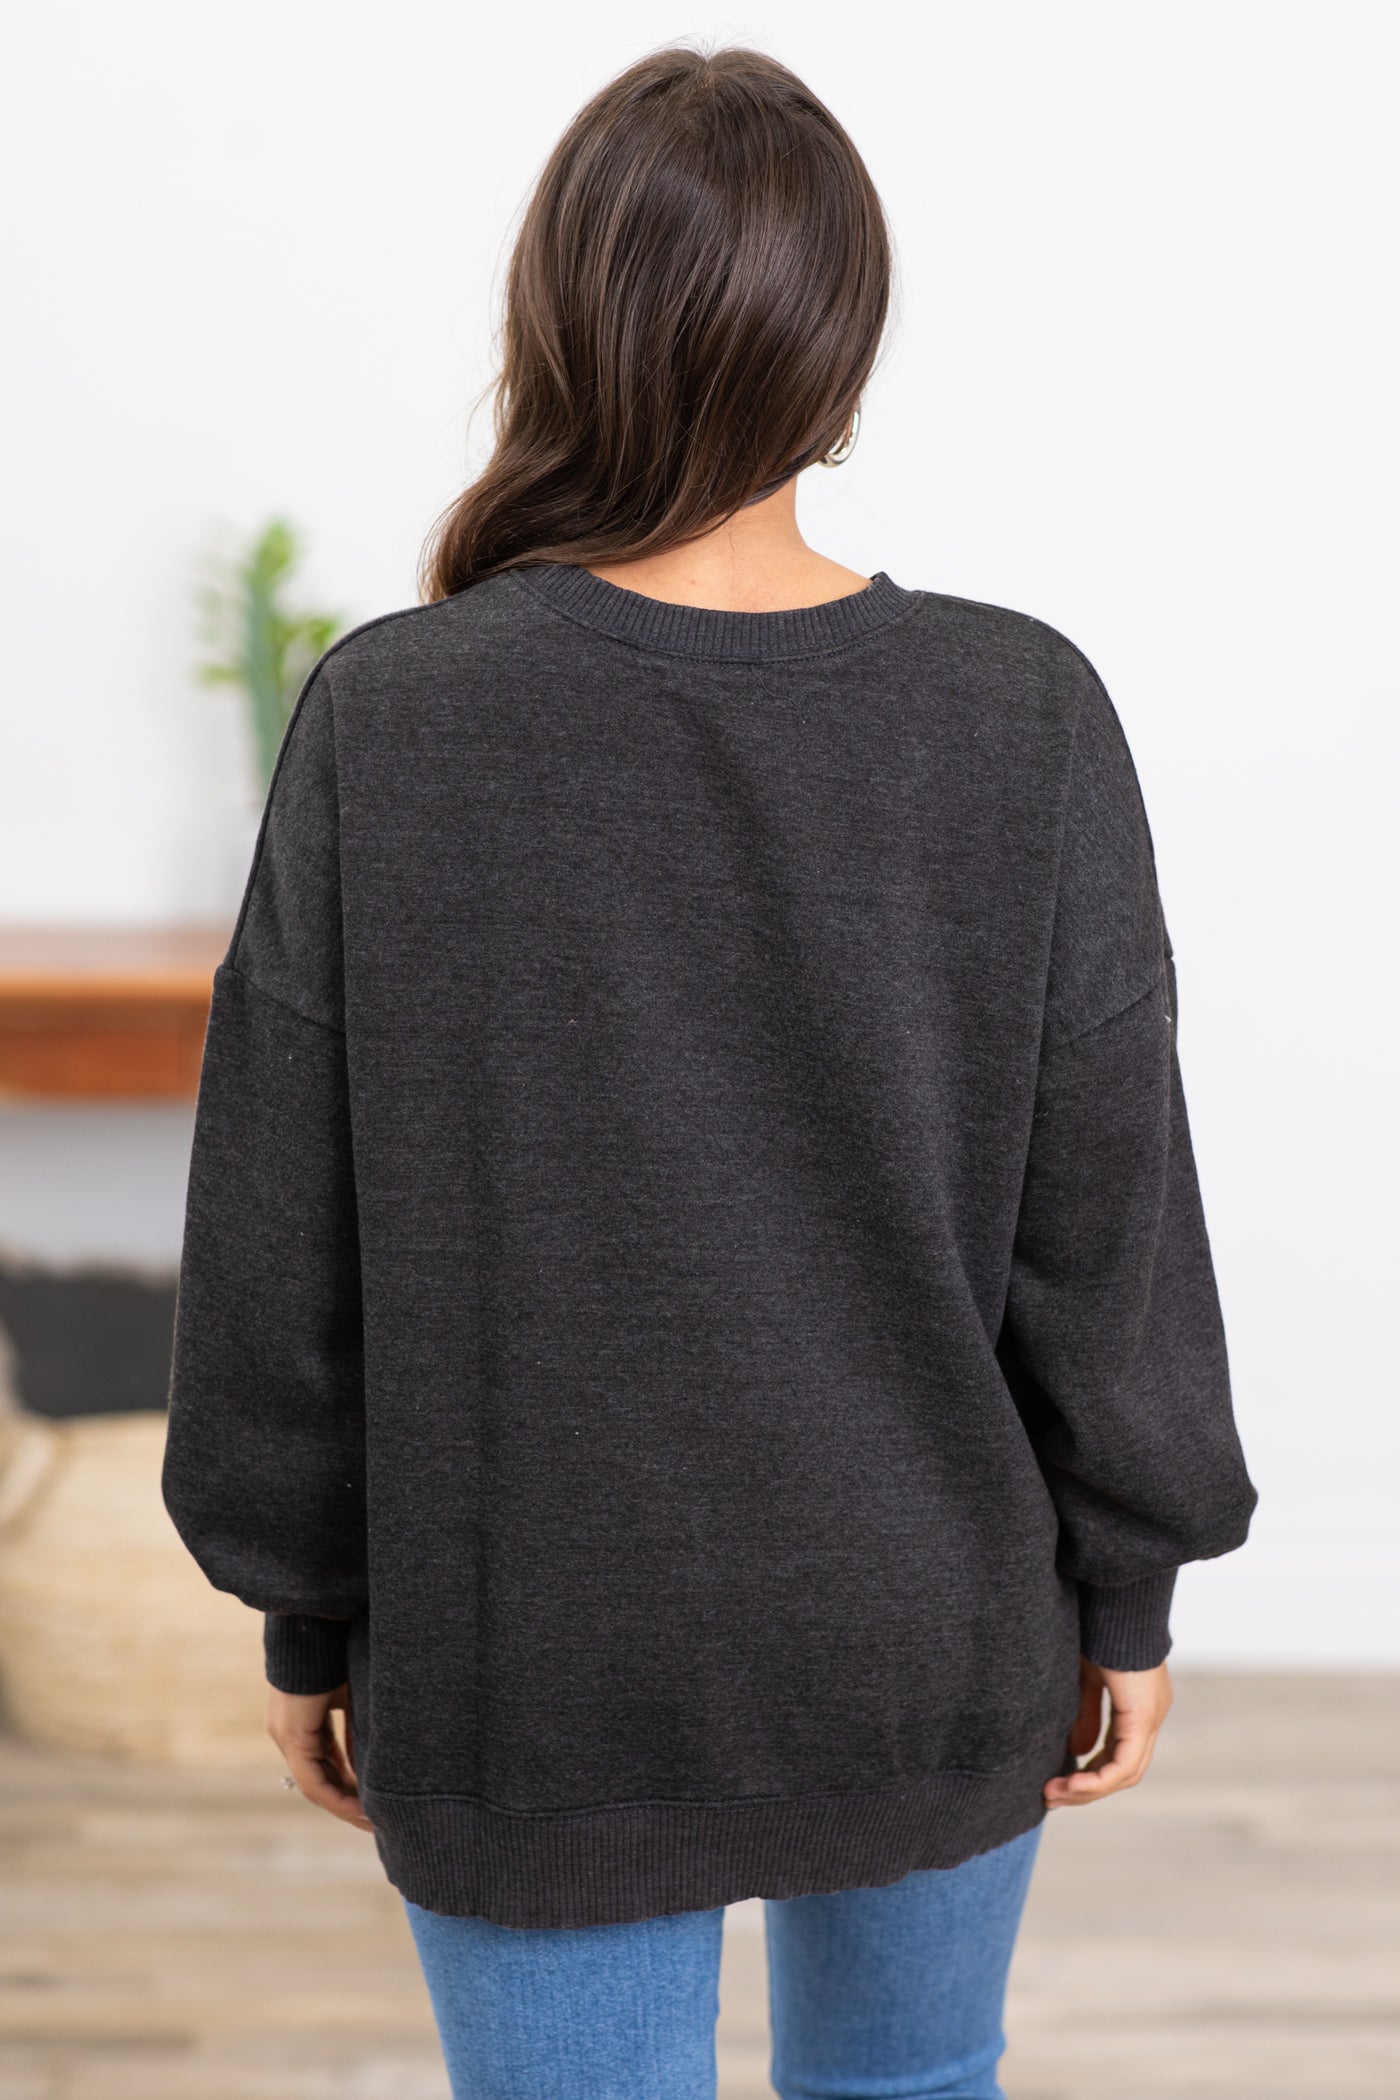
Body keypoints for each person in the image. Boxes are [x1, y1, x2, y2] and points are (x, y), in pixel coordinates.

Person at [161, 41, 1258, 2100]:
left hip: (530, 1650)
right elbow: (1106, 1225)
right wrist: (1129, 1587)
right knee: (910, 2084)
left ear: (557, 326)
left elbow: (274, 1248)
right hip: (926, 1621)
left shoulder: (394, 721)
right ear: (837, 344)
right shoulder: (1020, 717)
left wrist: (305, 1610)